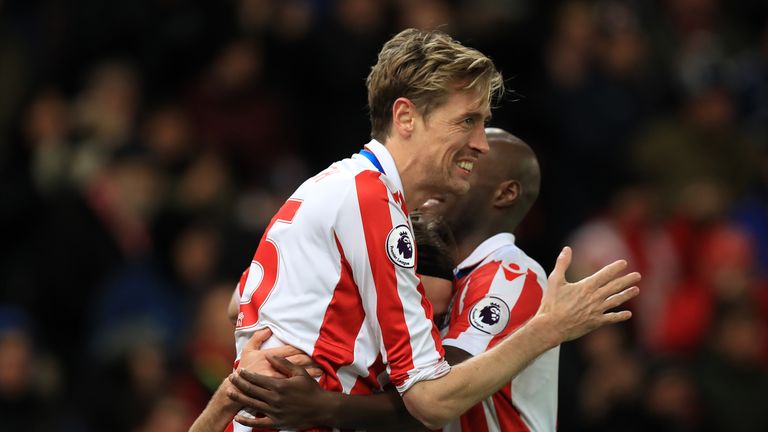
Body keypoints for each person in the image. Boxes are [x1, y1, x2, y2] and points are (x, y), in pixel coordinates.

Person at [191, 28, 640, 432]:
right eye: (467, 120)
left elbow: (240, 308)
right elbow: (429, 400)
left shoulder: (323, 187)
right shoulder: (373, 205)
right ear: (406, 118)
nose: (480, 142)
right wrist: (552, 326)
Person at [223, 129, 562, 432]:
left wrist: (323, 406)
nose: (451, 171)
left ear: (505, 194)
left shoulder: (512, 277)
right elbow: (238, 303)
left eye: (469, 167)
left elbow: (439, 393)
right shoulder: (404, 247)